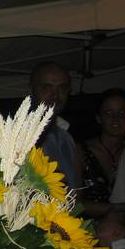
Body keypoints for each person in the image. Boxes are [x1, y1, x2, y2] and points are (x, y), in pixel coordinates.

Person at [76, 89, 125, 216]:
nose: (116, 119)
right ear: (98, 118)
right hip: (85, 224)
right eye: (108, 113)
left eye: (122, 113)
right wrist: (121, 208)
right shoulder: (80, 151)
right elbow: (74, 202)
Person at [29, 61, 81, 193]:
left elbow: (75, 194)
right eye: (47, 87)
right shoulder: (19, 137)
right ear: (32, 90)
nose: (55, 95)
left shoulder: (66, 138)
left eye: (62, 88)